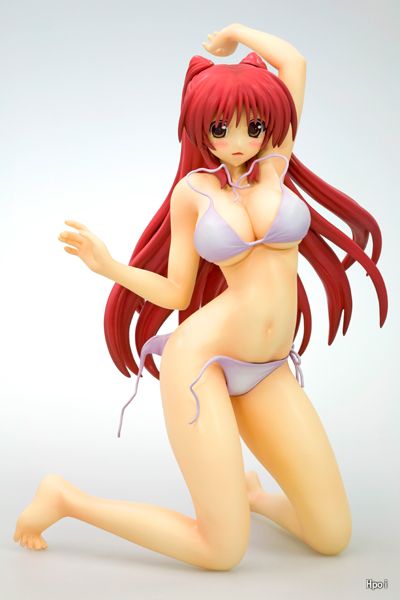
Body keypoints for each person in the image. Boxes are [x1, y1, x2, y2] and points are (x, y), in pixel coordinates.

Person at [13, 24, 387, 571]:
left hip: (268, 367)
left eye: (253, 127)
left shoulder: (274, 164)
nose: (239, 142)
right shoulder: (192, 193)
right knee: (222, 550)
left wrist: (235, 33)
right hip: (200, 364)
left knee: (332, 535)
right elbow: (177, 291)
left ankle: (252, 497)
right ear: (200, 128)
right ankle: (66, 499)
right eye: (220, 128)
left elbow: (295, 64)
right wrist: (109, 266)